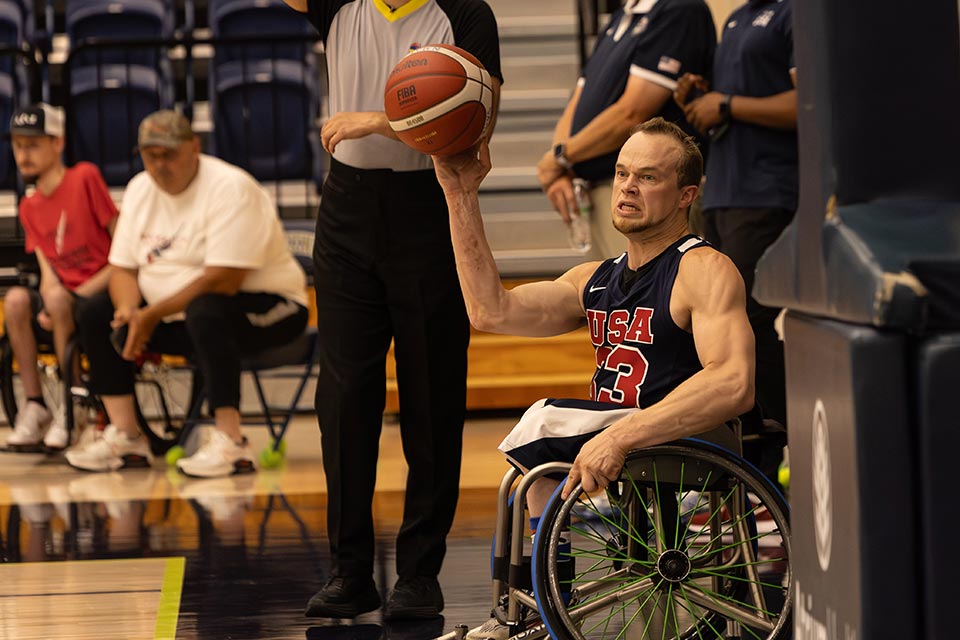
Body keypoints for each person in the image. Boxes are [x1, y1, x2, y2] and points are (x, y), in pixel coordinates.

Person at [434, 118, 755, 638]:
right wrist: (459, 194)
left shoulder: (704, 269)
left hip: (684, 439)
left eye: (647, 177)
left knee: (541, 424)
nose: (627, 186)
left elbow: (734, 382)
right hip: (624, 437)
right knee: (529, 466)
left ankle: (542, 608)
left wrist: (622, 435)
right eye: (623, 172)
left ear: (685, 195)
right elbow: (491, 312)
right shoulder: (595, 277)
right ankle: (528, 610)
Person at [281, 0, 503, 621]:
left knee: (432, 394)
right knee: (346, 399)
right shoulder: (338, 4)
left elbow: (477, 122)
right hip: (347, 211)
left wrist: (380, 119)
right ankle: (349, 571)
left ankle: (418, 572)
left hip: (429, 209)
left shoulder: (464, 13)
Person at [64, 110, 308, 479]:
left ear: (194, 147)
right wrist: (130, 310)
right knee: (96, 312)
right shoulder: (138, 189)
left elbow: (223, 279)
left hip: (272, 308)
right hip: (177, 315)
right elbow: (123, 269)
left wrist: (151, 315)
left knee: (206, 310)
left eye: (169, 154)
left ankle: (232, 443)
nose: (159, 165)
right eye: (150, 156)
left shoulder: (230, 187)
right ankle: (126, 436)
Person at [673, 0, 796, 432]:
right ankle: (737, 449)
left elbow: (809, 104)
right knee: (710, 328)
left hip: (765, 191)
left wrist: (726, 105)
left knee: (749, 321)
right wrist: (702, 96)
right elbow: (739, 94)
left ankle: (778, 443)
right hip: (722, 191)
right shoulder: (737, 17)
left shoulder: (793, 13)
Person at [536, 0, 715, 256]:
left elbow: (631, 112)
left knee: (649, 291)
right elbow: (578, 99)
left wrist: (559, 158)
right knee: (608, 291)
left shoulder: (679, 9)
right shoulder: (622, 15)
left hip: (647, 192)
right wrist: (560, 163)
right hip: (604, 188)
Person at [3, 103, 118, 452]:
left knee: (56, 299)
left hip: (104, 286)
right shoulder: (28, 206)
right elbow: (48, 270)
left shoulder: (84, 178)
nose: (23, 153)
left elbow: (124, 248)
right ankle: (36, 404)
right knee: (15, 300)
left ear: (58, 143)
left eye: (33, 144)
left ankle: (75, 402)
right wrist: (55, 303)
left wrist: (70, 296)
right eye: (18, 145)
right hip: (63, 294)